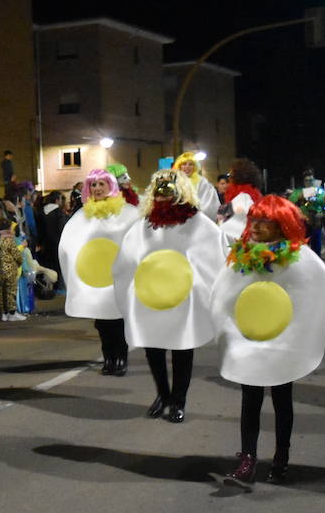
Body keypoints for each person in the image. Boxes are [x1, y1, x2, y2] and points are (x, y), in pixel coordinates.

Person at [212, 195, 325, 487]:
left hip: (284, 340)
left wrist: (303, 333)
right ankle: (248, 459)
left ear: (281, 224)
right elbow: (223, 294)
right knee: (250, 399)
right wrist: (228, 331)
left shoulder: (299, 257)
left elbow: (317, 293)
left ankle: (281, 457)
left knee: (282, 400)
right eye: (252, 220)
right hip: (249, 337)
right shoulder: (242, 255)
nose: (254, 226)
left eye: (263, 222)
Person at [112, 169, 223, 423]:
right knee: (153, 346)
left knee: (182, 347)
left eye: (168, 189)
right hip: (150, 295)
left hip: (184, 296)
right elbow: (128, 256)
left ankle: (178, 400)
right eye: (158, 189)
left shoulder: (196, 222)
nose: (163, 195)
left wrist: (197, 282)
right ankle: (162, 394)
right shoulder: (145, 224)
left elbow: (213, 254)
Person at [58, 167, 140, 375]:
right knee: (102, 322)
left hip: (118, 277)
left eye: (101, 184)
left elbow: (137, 239)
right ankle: (108, 357)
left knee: (118, 319)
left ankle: (121, 358)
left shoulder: (127, 212)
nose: (97, 188)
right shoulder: (82, 215)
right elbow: (69, 243)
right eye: (93, 185)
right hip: (95, 279)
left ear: (110, 186)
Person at [218, 159, 262, 245]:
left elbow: (227, 227)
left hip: (239, 245)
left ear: (237, 176)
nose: (229, 177)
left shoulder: (242, 198)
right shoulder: (252, 195)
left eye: (231, 174)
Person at [176, 152, 221, 221]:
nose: (187, 167)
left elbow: (210, 204)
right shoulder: (175, 181)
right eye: (184, 164)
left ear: (195, 167)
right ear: (179, 166)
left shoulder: (202, 182)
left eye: (191, 164)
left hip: (198, 220)